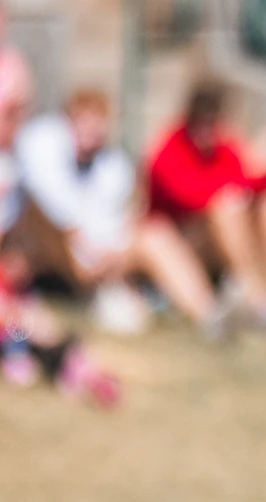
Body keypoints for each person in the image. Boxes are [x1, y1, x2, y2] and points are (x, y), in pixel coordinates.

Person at [142, 79, 266, 337]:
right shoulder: (168, 148)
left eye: (212, 123)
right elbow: (192, 198)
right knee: (225, 208)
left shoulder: (225, 146)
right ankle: (258, 302)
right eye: (201, 123)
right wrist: (254, 164)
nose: (207, 132)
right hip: (184, 245)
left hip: (220, 240)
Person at [14, 88, 151, 334]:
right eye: (85, 121)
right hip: (55, 249)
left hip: (101, 253)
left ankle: (211, 312)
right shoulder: (44, 148)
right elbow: (53, 209)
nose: (92, 130)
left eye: (98, 123)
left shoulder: (114, 166)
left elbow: (121, 218)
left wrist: (111, 254)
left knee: (157, 237)